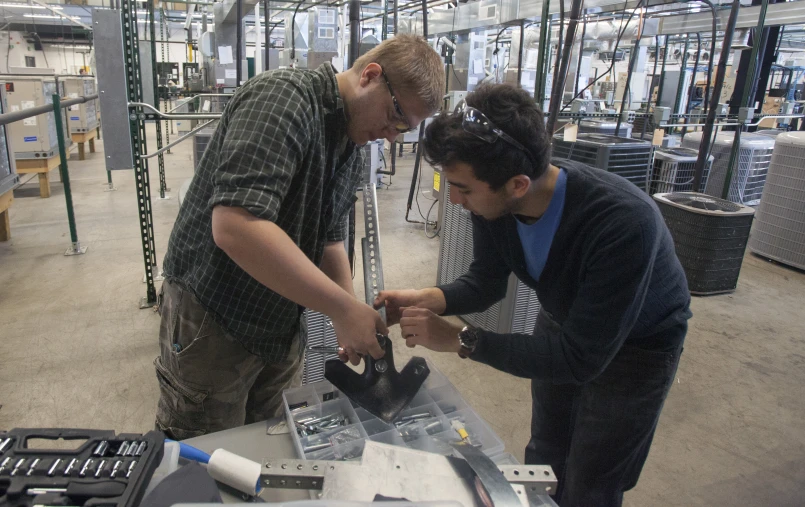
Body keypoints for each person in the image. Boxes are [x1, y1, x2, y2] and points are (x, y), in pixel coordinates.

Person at [375, 84, 691, 506]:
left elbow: (580, 358)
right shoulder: (496, 201)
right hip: (563, 320)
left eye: (464, 188)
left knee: (592, 477)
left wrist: (459, 340)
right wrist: (428, 297)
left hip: (638, 348)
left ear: (518, 184)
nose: (454, 199)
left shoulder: (622, 222)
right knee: (545, 454)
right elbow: (486, 282)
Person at [155, 35, 445, 440]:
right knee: (202, 455)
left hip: (280, 323)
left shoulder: (351, 143)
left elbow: (328, 239)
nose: (393, 135)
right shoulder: (283, 100)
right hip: (216, 318)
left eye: (405, 129)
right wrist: (342, 310)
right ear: (371, 76)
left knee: (261, 446)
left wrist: (346, 311)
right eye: (396, 117)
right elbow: (235, 227)